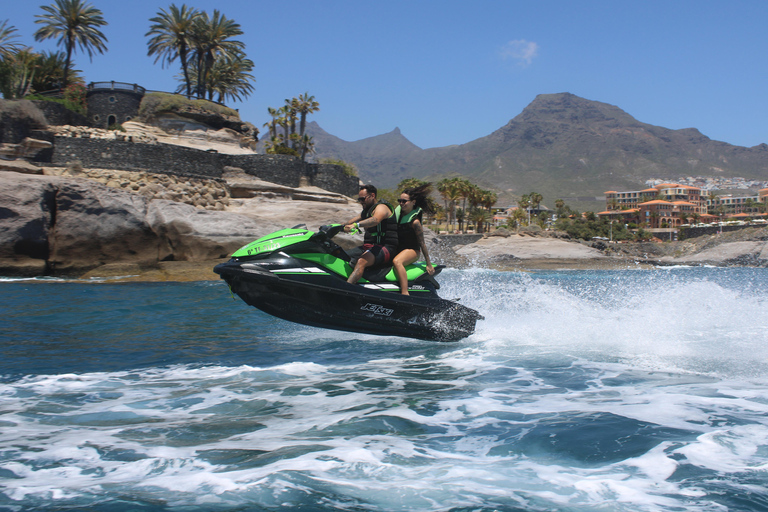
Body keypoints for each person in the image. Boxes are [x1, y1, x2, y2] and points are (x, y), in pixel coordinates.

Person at [342, 184, 398, 284]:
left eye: (363, 199)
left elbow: (376, 220)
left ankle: (347, 289)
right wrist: (334, 227)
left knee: (362, 261)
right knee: (342, 256)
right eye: (359, 199)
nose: (361, 202)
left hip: (386, 248)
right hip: (370, 246)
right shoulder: (366, 211)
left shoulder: (382, 207)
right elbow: (349, 222)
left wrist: (356, 225)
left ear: (372, 196)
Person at [392, 183, 435, 295]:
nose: (401, 203)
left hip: (412, 250)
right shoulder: (398, 215)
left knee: (397, 261)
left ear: (413, 202)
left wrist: (428, 263)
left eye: (404, 201)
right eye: (400, 201)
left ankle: (405, 292)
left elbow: (422, 243)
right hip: (399, 249)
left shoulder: (415, 222)